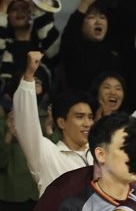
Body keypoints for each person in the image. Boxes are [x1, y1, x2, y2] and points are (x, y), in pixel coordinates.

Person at [13, 52, 93, 194]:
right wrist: (29, 76)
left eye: (90, 117)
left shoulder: (100, 154)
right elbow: (26, 123)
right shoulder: (48, 155)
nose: (87, 123)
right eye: (80, 117)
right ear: (62, 122)